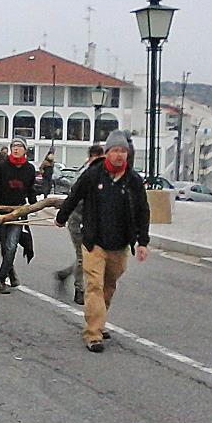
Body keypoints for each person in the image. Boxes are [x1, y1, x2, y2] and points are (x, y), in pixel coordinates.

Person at [56, 131, 150, 353]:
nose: (119, 155)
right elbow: (74, 195)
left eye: (123, 151)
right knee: (94, 286)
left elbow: (142, 211)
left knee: (109, 286)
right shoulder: (93, 175)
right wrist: (61, 217)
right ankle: (93, 334)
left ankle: (99, 320)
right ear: (107, 153)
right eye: (115, 150)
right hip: (94, 241)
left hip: (120, 244)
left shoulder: (133, 180)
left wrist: (142, 242)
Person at [0, 136, 36, 294]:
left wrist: (35, 205)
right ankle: (10, 273)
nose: (16, 148)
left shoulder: (29, 169)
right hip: (0, 212)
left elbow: (31, 190)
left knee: (11, 246)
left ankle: (0, 279)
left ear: (25, 150)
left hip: (18, 212)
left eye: (20, 146)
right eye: (14, 146)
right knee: (4, 245)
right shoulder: (1, 167)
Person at [56, 144, 105, 305]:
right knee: (82, 255)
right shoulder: (86, 173)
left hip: (92, 221)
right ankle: (79, 289)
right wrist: (62, 217)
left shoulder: (101, 173)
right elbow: (75, 197)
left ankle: (66, 274)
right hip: (78, 219)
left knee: (89, 254)